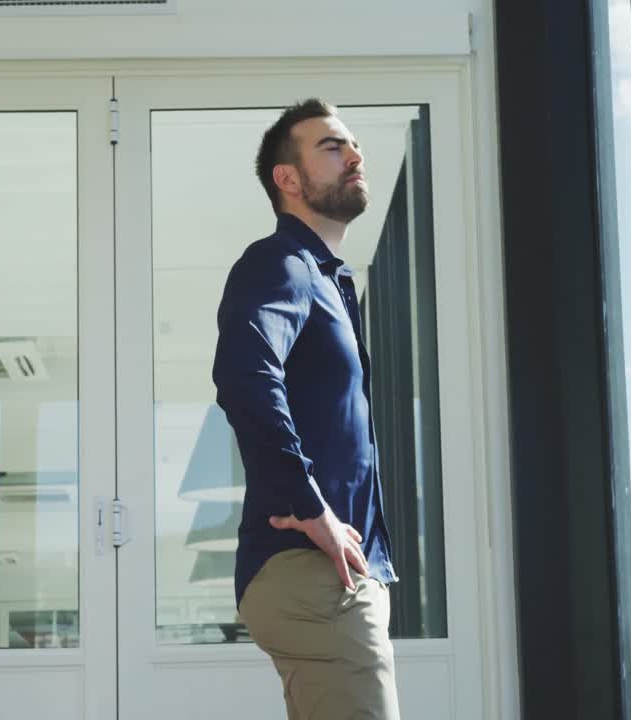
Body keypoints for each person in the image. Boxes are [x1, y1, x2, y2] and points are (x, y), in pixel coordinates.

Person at [212, 98, 400, 720]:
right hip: (313, 568)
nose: (355, 154)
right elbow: (244, 375)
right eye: (331, 146)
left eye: (354, 144)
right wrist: (306, 502)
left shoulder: (325, 280)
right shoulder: (282, 265)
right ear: (287, 179)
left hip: (334, 574)